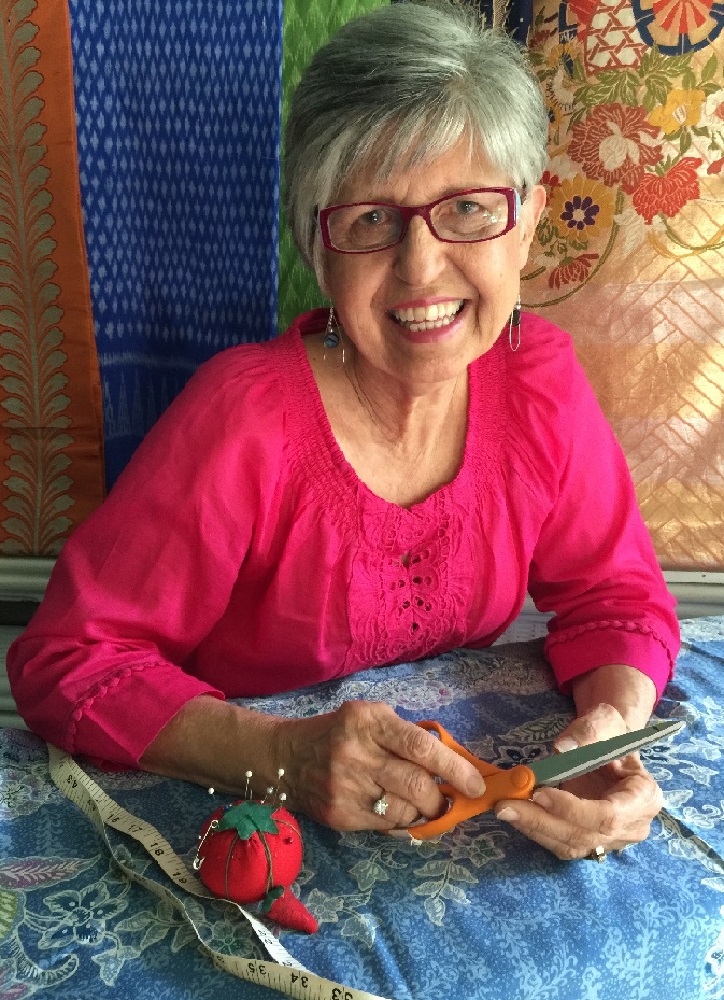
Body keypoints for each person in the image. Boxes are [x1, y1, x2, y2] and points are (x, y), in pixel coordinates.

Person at [8, 0, 679, 861]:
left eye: (469, 209)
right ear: (318, 249)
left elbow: (616, 598)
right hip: (245, 828)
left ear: (528, 221)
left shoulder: (540, 379)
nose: (420, 267)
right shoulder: (240, 417)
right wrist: (279, 757)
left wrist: (609, 731)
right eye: (370, 219)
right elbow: (65, 662)